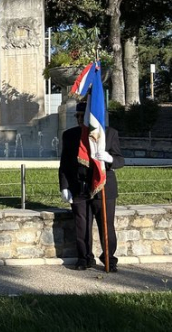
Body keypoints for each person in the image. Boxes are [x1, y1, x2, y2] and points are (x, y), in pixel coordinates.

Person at [59, 101, 124, 272]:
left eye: (84, 116)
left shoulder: (109, 134)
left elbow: (120, 160)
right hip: (79, 186)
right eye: (78, 116)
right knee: (81, 224)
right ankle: (84, 257)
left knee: (106, 225)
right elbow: (64, 163)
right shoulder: (70, 135)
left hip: (104, 187)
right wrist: (64, 186)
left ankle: (109, 258)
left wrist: (109, 159)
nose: (80, 119)